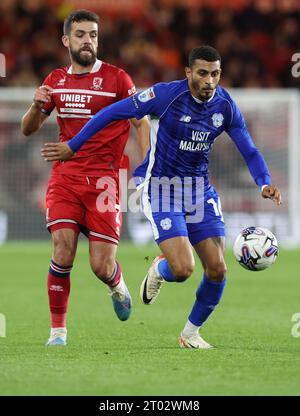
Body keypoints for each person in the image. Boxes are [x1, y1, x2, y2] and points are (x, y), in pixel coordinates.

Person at [41, 45, 282, 349]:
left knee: (217, 269)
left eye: (216, 74)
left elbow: (248, 148)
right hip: (161, 187)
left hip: (199, 189)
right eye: (203, 73)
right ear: (189, 73)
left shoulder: (225, 105)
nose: (210, 81)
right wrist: (74, 144)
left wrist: (264, 183)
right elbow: (115, 111)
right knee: (183, 269)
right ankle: (161, 268)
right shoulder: (166, 96)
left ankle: (191, 334)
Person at [21, 10, 150, 346]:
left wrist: (147, 162)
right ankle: (57, 332)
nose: (88, 41)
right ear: (66, 40)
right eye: (80, 34)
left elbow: (142, 122)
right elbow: (27, 129)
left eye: (93, 34)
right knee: (63, 252)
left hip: (106, 182)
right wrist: (36, 106)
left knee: (100, 266)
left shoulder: (117, 79)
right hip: (65, 178)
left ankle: (116, 285)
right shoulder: (55, 80)